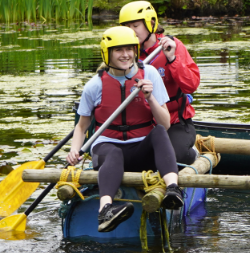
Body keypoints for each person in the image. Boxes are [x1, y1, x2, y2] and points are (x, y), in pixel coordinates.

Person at [66, 26, 183, 232]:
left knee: (159, 132)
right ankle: (105, 210)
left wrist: (150, 98)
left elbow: (165, 123)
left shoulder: (150, 74)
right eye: (118, 50)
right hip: (106, 149)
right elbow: (82, 126)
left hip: (140, 149)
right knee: (114, 151)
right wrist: (74, 149)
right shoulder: (94, 85)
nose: (126, 54)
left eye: (129, 49)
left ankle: (173, 189)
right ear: (107, 53)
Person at [118, 1, 201, 164]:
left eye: (135, 25)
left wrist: (172, 58)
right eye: (127, 27)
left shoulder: (173, 46)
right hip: (142, 124)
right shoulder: (125, 54)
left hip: (175, 121)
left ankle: (192, 154)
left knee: (173, 158)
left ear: (151, 23)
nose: (131, 31)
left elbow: (191, 85)